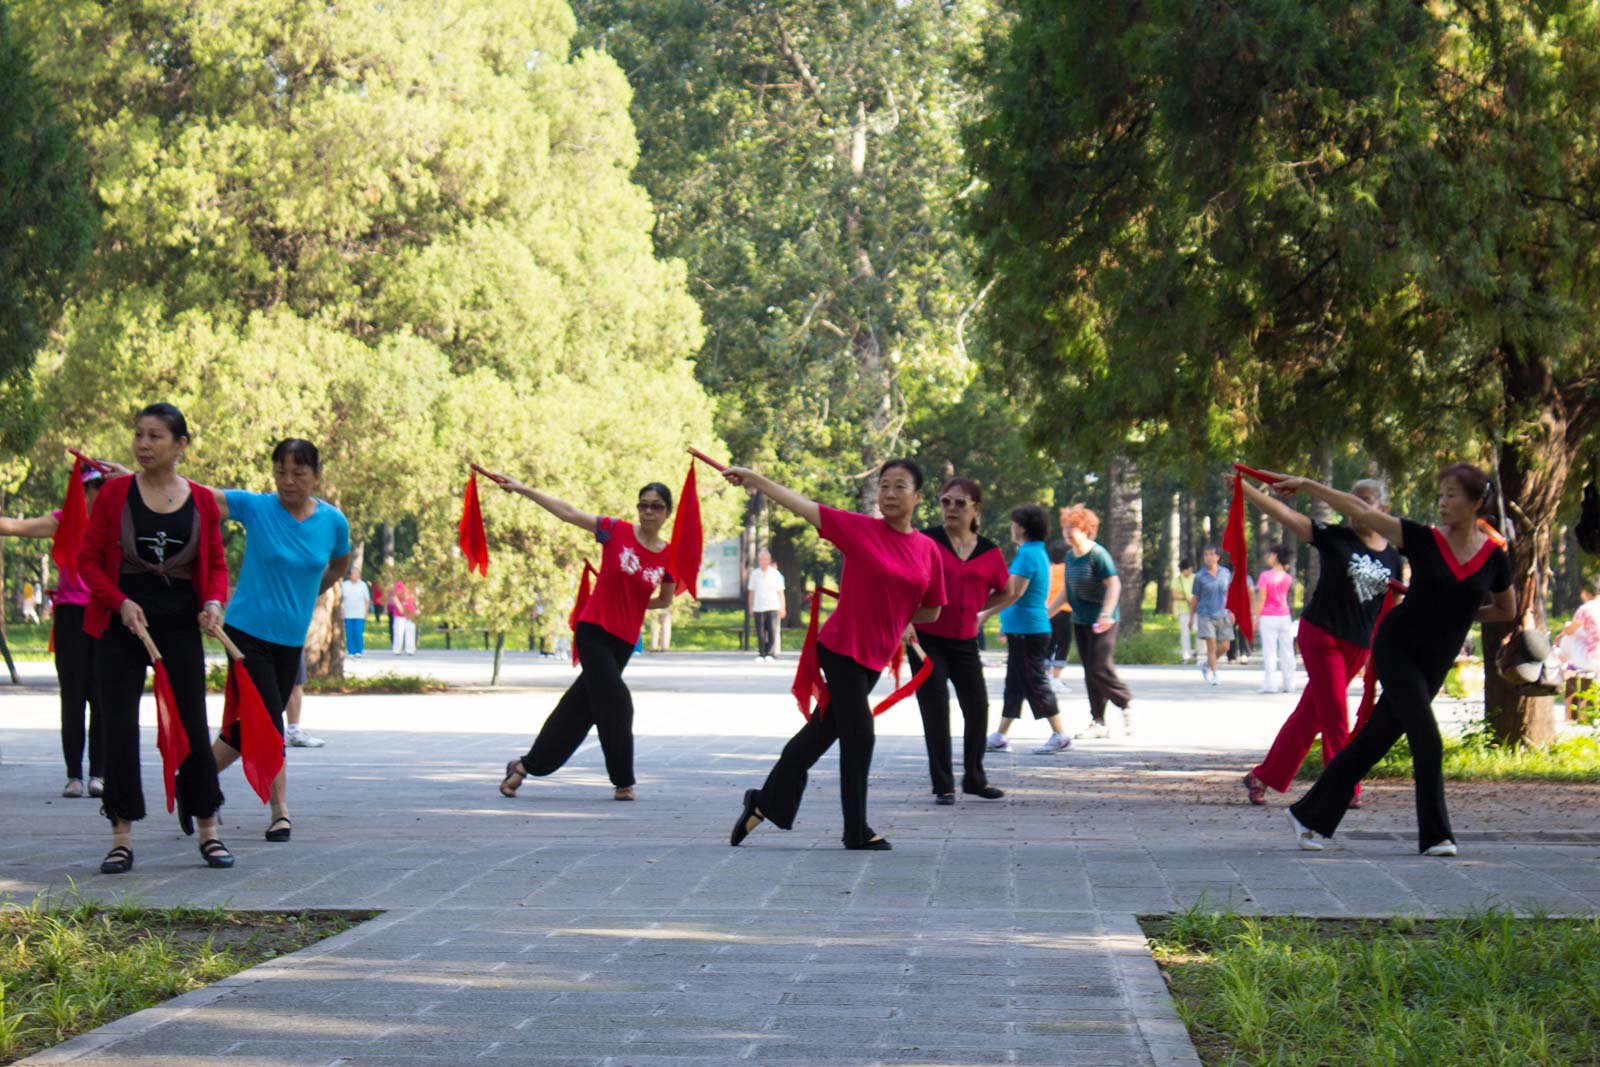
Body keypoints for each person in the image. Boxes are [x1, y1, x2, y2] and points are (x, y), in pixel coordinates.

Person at [1284, 464, 1515, 856]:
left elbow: (1505, 609)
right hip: (1398, 646)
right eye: (1440, 495)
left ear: (1477, 503)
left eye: (1452, 496)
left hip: (1435, 661)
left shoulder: (1494, 555)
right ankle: (1437, 836)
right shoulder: (1422, 539)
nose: (1442, 503)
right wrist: (1307, 485)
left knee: (1374, 740)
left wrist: (1461, 614)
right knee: (1428, 739)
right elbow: (1362, 511)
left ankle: (1309, 815)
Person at [727, 459, 944, 850]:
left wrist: (898, 616)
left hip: (874, 655)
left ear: (918, 496)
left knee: (821, 732)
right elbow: (800, 504)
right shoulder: (858, 529)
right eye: (884, 486)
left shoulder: (928, 549)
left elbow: (932, 609)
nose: (890, 494)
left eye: (900, 486)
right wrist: (754, 479)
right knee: (860, 735)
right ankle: (855, 830)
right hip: (840, 647)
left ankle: (763, 802)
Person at [78, 403, 233, 873]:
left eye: (155, 437)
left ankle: (208, 829)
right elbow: (87, 562)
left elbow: (216, 565)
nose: (143, 445)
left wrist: (212, 604)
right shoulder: (114, 494)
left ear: (180, 445)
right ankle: (121, 837)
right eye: (139, 435)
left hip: (180, 621)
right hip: (123, 621)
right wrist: (119, 602)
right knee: (119, 726)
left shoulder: (202, 500)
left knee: (191, 722)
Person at [496, 477, 677, 802]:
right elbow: (567, 512)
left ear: (667, 513)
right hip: (593, 629)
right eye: (643, 505)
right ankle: (623, 781)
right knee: (617, 701)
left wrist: (636, 604)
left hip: (623, 642)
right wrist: (523, 489)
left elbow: (665, 600)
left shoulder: (669, 556)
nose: (649, 512)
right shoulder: (615, 530)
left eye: (656, 506)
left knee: (579, 709)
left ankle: (523, 766)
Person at [208, 439, 350, 842]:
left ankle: (195, 779)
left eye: (298, 473)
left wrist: (317, 588)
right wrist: (135, 480)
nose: (288, 481)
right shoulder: (257, 506)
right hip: (245, 633)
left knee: (247, 727)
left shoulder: (333, 521)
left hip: (290, 639)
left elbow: (340, 560)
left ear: (316, 476)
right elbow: (193, 495)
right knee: (268, 720)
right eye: (280, 472)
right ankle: (280, 812)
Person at [1239, 478, 1401, 807]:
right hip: (1321, 634)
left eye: (1366, 501)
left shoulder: (1394, 556)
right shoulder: (1335, 537)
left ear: (1383, 509)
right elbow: (1286, 515)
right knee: (1335, 715)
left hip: (1357, 645)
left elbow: (1392, 606)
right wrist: (1245, 489)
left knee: (1310, 716)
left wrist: (1389, 648)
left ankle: (1262, 776)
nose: (1357, 508)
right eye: (1352, 500)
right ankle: (1344, 785)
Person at [0, 461, 125, 797]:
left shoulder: (117, 518)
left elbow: (155, 493)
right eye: (93, 487)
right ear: (81, 490)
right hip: (71, 616)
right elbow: (15, 526)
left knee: (101, 696)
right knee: (72, 697)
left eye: (104, 487)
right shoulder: (63, 521)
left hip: (106, 613)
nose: (99, 493)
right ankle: (74, 775)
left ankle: (98, 774)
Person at [910, 477, 1012, 804]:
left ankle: (974, 778)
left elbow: (1006, 590)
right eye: (946, 502)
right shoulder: (925, 541)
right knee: (936, 708)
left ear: (975, 509)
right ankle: (943, 784)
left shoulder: (989, 551)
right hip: (926, 639)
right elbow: (904, 583)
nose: (951, 508)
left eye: (960, 503)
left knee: (977, 708)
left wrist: (978, 608)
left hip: (966, 640)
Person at [986, 505, 1074, 754]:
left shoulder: (1028, 555)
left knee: (1035, 682)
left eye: (1013, 523)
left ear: (1022, 527)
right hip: (1022, 629)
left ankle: (1060, 734)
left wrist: (983, 614)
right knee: (1014, 683)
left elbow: (1013, 593)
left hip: (1029, 630)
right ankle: (1000, 735)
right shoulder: (1033, 552)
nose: (1011, 528)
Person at [1050, 505, 1134, 739]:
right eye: (1065, 527)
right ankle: (1098, 721)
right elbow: (1067, 591)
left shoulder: (1098, 554)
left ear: (1086, 529)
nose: (1067, 532)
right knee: (1089, 670)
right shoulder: (1069, 556)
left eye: (1073, 527)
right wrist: (1047, 612)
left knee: (1099, 667)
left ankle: (1125, 701)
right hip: (1080, 619)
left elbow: (1114, 584)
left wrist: (1106, 614)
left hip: (1103, 621)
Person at [1254, 544, 1297, 694]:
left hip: (1268, 616)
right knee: (1287, 650)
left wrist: (1255, 617)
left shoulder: (1265, 576)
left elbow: (1262, 599)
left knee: (1270, 651)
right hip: (1284, 616)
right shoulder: (1287, 577)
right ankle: (1289, 683)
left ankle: (1270, 685)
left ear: (1274, 556)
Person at [1190, 544, 1233, 684]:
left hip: (1223, 613)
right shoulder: (1200, 576)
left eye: (1211, 554)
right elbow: (1195, 597)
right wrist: (1191, 617)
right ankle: (1214, 674)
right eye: (1206, 555)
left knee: (1225, 646)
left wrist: (1232, 611)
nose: (1208, 557)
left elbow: (1231, 594)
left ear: (1218, 557)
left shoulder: (1226, 573)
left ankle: (1206, 664)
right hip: (1205, 614)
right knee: (1212, 644)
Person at [748, 549, 786, 661]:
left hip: (773, 605)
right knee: (760, 631)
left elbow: (780, 592)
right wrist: (750, 607)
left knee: (772, 630)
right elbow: (751, 592)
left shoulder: (775, 574)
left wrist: (783, 607)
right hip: (758, 606)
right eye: (760, 559)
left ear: (769, 560)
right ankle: (761, 653)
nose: (762, 561)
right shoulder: (755, 574)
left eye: (765, 559)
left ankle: (770, 652)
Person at [1045, 539, 1073, 689]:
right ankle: (1056, 677)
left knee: (1049, 643)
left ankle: (1044, 676)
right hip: (1065, 610)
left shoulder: (1048, 569)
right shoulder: (1068, 569)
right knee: (1063, 643)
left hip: (1048, 611)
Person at [1556, 577, 1600, 673]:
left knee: (1569, 632)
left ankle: (1562, 663)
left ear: (1584, 592)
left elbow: (1569, 631)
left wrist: (1563, 632)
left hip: (1591, 661)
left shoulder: (1585, 609)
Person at [340, 567, 371, 657]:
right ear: (350, 575)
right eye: (355, 573)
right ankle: (351, 651)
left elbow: (367, 600)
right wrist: (341, 612)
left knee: (358, 632)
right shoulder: (345, 585)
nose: (357, 575)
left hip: (359, 613)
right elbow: (341, 600)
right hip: (348, 613)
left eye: (358, 573)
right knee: (349, 633)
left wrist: (366, 612)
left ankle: (359, 650)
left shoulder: (363, 585)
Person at [1172, 557, 1197, 664]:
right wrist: (1185, 598)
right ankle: (1186, 655)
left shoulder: (1196, 578)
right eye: (1188, 568)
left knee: (1200, 631)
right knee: (1185, 633)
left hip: (1196, 609)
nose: (1190, 571)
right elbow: (1174, 595)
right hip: (1184, 609)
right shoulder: (1177, 580)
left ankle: (1199, 653)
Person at [390, 579, 418, 655]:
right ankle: (397, 649)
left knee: (411, 631)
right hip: (400, 613)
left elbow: (415, 597)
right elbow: (395, 597)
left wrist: (416, 608)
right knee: (399, 632)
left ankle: (410, 649)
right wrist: (399, 607)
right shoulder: (399, 584)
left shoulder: (413, 583)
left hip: (410, 612)